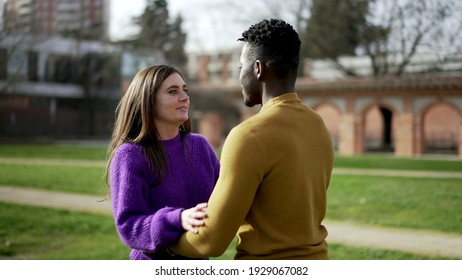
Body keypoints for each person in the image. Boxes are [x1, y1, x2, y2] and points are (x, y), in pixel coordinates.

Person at [170, 18, 334, 260]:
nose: (240, 77)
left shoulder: (248, 135)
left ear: (257, 69)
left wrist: (157, 240)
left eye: (240, 68)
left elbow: (210, 241)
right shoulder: (317, 125)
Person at [105, 64, 220, 260]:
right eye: (172, 91)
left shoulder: (200, 146)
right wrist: (178, 219)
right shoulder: (130, 155)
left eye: (185, 90)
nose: (184, 97)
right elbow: (129, 226)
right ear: (148, 101)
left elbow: (226, 196)